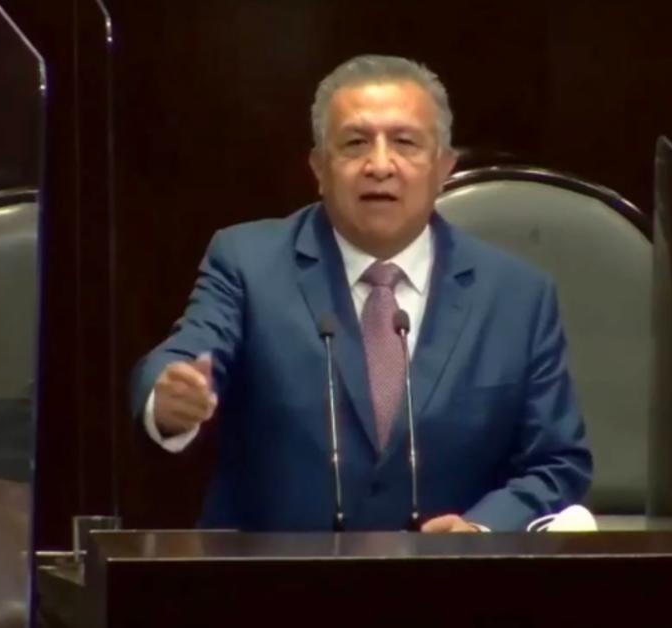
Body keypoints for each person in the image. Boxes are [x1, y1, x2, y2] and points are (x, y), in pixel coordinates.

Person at [129, 54, 592, 532]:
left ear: (443, 167)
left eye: (405, 143)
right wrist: (169, 399)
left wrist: (479, 531)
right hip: (275, 573)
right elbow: (186, 357)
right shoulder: (247, 263)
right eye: (355, 143)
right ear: (319, 167)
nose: (380, 165)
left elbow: (557, 463)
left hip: (449, 574)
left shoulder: (517, 296)